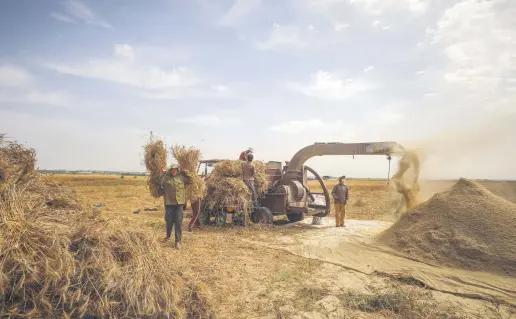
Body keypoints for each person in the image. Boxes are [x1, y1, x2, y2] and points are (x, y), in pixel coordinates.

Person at [160, 164, 193, 249]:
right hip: (169, 204)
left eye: (175, 170)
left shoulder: (181, 178)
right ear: (170, 171)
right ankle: (167, 237)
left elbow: (191, 181)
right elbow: (162, 184)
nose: (173, 171)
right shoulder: (167, 178)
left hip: (179, 204)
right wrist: (165, 173)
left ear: (177, 170)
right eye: (172, 170)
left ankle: (178, 241)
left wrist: (187, 173)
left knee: (178, 222)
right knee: (169, 222)